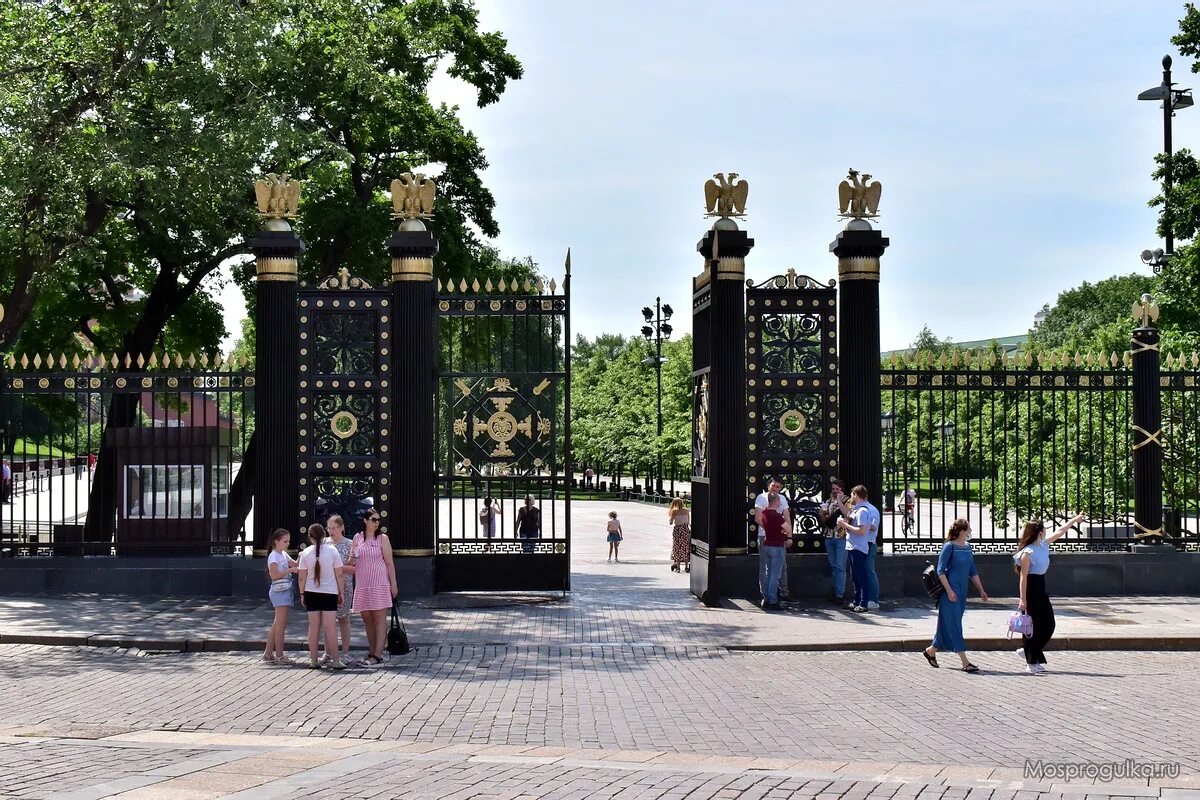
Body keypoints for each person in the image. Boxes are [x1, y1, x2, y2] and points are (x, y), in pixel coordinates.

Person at [1014, 512, 1085, 674]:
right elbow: (1023, 577)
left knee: (1048, 623)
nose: (1046, 531)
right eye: (1044, 529)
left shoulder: (1043, 545)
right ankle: (1031, 663)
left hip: (1041, 585)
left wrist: (1074, 519)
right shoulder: (1027, 552)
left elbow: (1060, 531)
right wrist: (1022, 599)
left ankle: (1028, 652)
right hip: (1031, 587)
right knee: (1032, 625)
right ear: (1038, 532)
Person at [922, 519, 989, 672]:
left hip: (962, 592)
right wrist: (949, 591)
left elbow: (972, 571)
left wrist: (981, 590)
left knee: (948, 625)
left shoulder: (967, 547)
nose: (971, 531)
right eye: (969, 528)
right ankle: (965, 662)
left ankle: (931, 651)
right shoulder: (949, 547)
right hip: (950, 593)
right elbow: (940, 571)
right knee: (954, 626)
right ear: (962, 531)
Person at [349, 508, 398, 668]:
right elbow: (351, 562)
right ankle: (371, 652)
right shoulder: (357, 537)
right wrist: (353, 556)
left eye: (378, 520)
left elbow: (389, 562)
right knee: (367, 619)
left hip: (379, 582)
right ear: (365, 520)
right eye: (373, 520)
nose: (376, 523)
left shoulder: (382, 539)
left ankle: (378, 654)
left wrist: (394, 584)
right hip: (363, 583)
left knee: (379, 619)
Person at [296, 523, 345, 670]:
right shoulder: (332, 550)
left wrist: (302, 594)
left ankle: (313, 660)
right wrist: (341, 592)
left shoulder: (305, 553)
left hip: (311, 592)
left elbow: (302, 577)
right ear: (324, 535)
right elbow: (339, 573)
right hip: (329, 592)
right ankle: (336, 660)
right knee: (330, 627)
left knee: (313, 627)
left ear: (310, 537)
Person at [836, 485, 880, 613]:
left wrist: (844, 525)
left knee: (862, 575)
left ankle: (864, 602)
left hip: (859, 546)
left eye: (852, 495)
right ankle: (856, 601)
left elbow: (862, 531)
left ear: (856, 494)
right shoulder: (856, 510)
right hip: (852, 545)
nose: (851, 498)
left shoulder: (863, 511)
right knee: (855, 575)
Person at [263, 528, 297, 665]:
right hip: (279, 591)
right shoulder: (274, 556)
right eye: (285, 541)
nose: (287, 544)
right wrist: (289, 570)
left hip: (284, 590)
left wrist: (302, 556)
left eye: (288, 541)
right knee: (281, 625)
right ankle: (280, 655)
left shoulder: (283, 554)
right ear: (276, 542)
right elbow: (274, 575)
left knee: (277, 623)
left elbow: (295, 564)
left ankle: (268, 653)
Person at [753, 477, 789, 601]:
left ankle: (784, 593)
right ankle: (765, 595)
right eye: (773, 486)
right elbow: (758, 518)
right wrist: (771, 529)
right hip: (765, 536)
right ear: (769, 486)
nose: (775, 489)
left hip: (779, 538)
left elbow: (787, 517)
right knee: (765, 568)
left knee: (782, 566)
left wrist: (789, 536)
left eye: (778, 487)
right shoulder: (761, 498)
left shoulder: (782, 498)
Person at [327, 515, 355, 664]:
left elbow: (355, 568)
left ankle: (345, 652)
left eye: (334, 528)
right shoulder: (324, 543)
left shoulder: (350, 544)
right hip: (326, 587)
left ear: (342, 528)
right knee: (327, 620)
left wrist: (339, 568)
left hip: (345, 586)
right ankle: (328, 652)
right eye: (329, 528)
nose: (331, 531)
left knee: (343, 618)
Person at [758, 492, 791, 610]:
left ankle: (766, 598)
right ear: (776, 501)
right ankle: (773, 600)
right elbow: (787, 527)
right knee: (775, 575)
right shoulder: (777, 516)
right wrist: (785, 532)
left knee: (767, 573)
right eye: (779, 501)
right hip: (777, 546)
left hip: (766, 544)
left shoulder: (764, 513)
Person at [817, 479, 848, 603]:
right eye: (833, 489)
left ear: (842, 490)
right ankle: (836, 591)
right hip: (829, 536)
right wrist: (822, 513)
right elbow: (824, 519)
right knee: (834, 566)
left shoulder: (847, 500)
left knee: (840, 566)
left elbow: (847, 514)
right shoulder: (828, 501)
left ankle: (840, 594)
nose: (835, 491)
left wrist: (840, 500)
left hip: (841, 537)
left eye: (837, 489)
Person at [667, 498, 692, 573]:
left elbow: (671, 523)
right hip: (685, 530)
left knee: (677, 548)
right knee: (686, 548)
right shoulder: (686, 511)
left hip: (678, 531)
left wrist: (671, 519)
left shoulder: (674, 512)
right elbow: (688, 521)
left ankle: (678, 567)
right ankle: (686, 567)